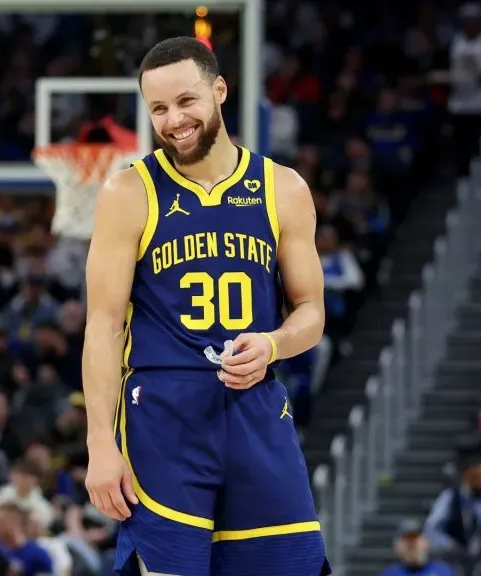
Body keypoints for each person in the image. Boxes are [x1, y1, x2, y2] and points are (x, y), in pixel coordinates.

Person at [82, 37, 329, 576]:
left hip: (255, 404)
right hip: (163, 413)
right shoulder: (129, 193)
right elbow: (102, 326)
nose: (174, 120)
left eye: (186, 101)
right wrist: (100, 442)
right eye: (159, 109)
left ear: (219, 90)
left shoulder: (282, 188)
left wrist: (272, 344)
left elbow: (311, 311)